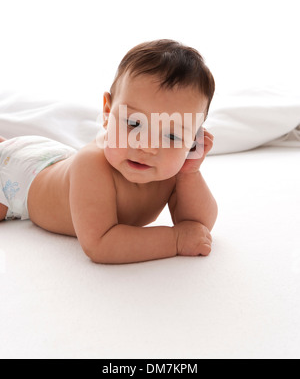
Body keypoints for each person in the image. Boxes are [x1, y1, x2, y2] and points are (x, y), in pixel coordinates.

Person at [0, 40, 218, 264]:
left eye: (172, 136)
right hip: (18, 177)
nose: (147, 146)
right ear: (107, 112)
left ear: (193, 141)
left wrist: (190, 174)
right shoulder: (92, 164)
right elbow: (100, 244)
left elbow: (198, 225)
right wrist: (175, 239)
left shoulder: (171, 170)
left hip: (51, 161)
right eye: (134, 123)